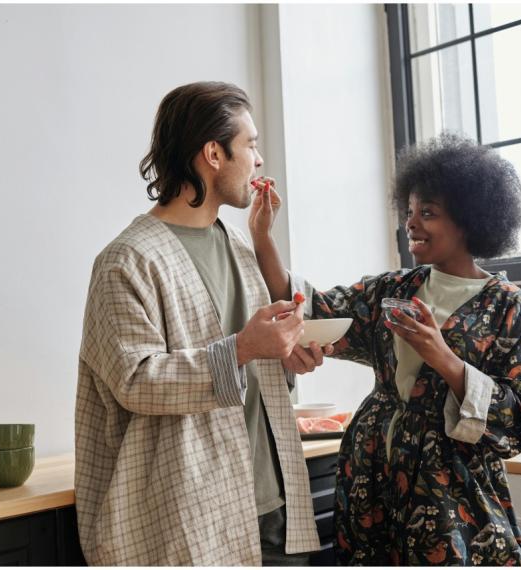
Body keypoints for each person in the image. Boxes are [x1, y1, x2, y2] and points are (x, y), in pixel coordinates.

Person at [249, 132, 521, 565]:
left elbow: (519, 417)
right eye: (409, 211)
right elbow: (309, 312)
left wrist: (442, 357)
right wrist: (262, 238)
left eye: (428, 213)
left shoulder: (508, 306)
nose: (411, 222)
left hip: (448, 489)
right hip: (371, 476)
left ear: (470, 219)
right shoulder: (394, 289)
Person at [75, 81, 331, 566]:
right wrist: (242, 348)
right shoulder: (126, 261)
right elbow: (136, 382)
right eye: (250, 145)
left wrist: (286, 356)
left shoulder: (238, 244)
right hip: (191, 519)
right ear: (213, 153)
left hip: (274, 507)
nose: (258, 160)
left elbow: (251, 371)